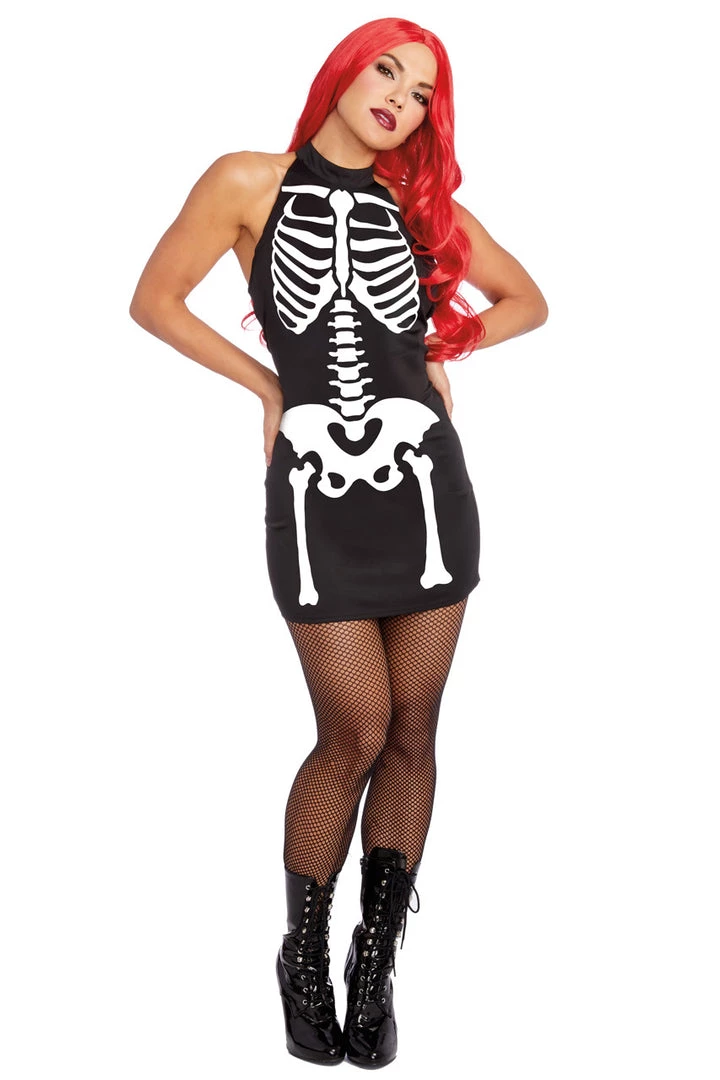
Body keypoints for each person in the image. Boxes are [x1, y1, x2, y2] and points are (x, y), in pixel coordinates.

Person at [129, 15, 547, 1069]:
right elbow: (153, 300)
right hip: (316, 492)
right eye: (387, 72)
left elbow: (530, 301)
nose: (399, 98)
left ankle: (376, 961)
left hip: (428, 486)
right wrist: (267, 386)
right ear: (344, 73)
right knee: (353, 729)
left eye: (421, 92)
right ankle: (303, 957)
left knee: (413, 730)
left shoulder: (425, 209)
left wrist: (447, 342)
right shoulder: (248, 181)